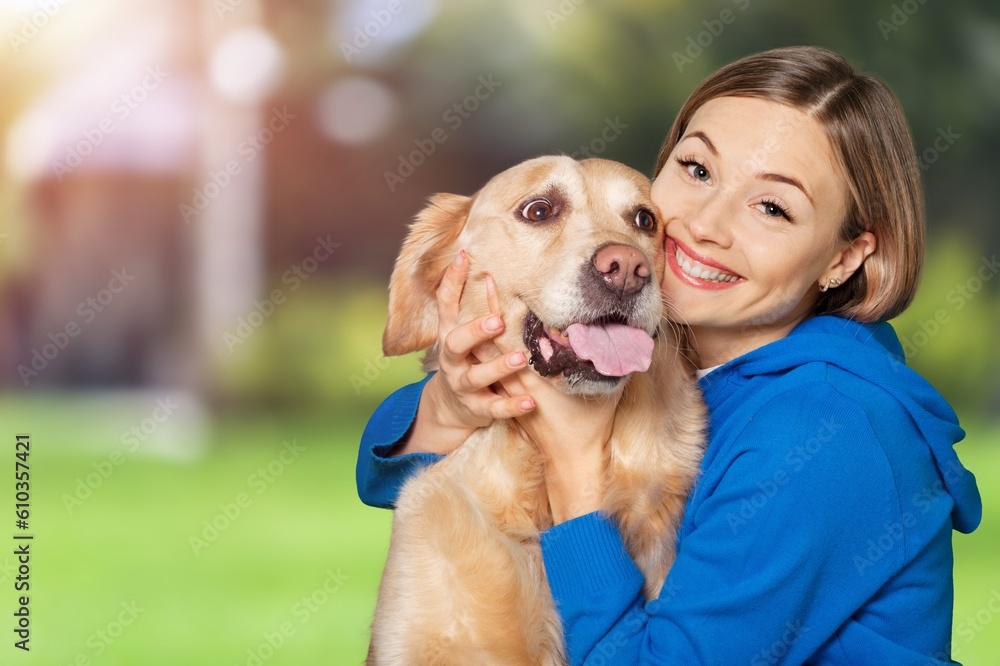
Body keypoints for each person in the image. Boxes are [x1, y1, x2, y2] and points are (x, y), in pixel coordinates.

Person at [356, 46, 981, 665]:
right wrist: (450, 404)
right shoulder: (669, 350)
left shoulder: (826, 429)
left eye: (772, 207)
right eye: (698, 171)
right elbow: (383, 476)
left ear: (844, 258)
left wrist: (573, 461)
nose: (706, 223)